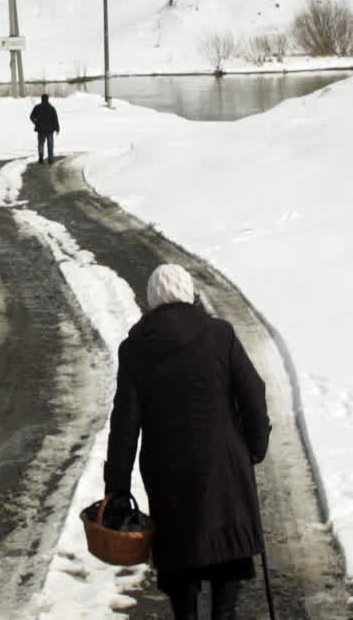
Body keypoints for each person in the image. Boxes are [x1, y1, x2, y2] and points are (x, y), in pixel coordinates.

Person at [103, 264, 271, 620]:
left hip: (169, 479)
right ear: (190, 293)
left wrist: (116, 487)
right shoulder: (220, 335)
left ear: (152, 301)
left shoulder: (135, 350)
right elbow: (253, 391)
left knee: (182, 575)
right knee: (227, 564)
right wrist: (254, 446)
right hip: (224, 469)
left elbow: (125, 424)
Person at [28, 93, 60, 164]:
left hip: (40, 130)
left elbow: (31, 117)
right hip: (50, 130)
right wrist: (57, 129)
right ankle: (50, 159)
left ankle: (41, 159)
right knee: (50, 145)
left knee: (40, 144)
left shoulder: (37, 107)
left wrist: (36, 123)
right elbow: (55, 119)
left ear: (41, 99)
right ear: (48, 99)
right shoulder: (52, 108)